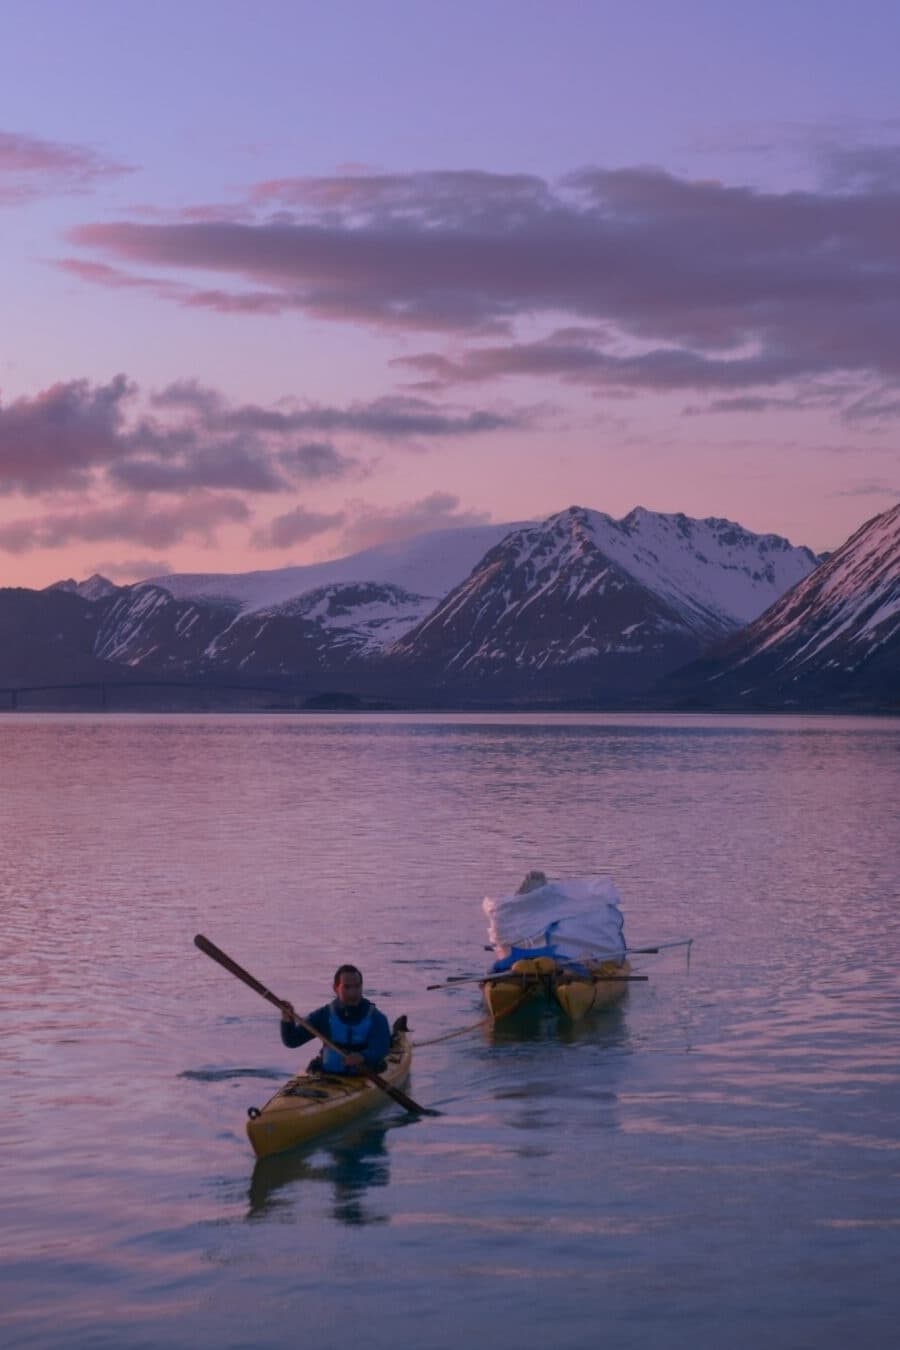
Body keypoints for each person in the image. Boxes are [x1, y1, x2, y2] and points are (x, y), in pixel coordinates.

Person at [278, 964, 391, 1074]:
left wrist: (363, 1056)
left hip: (365, 1074)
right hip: (328, 1075)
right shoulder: (323, 1016)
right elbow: (292, 1041)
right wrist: (287, 1020)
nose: (353, 992)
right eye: (346, 987)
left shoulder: (376, 1017)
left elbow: (382, 1047)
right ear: (335, 988)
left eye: (357, 986)